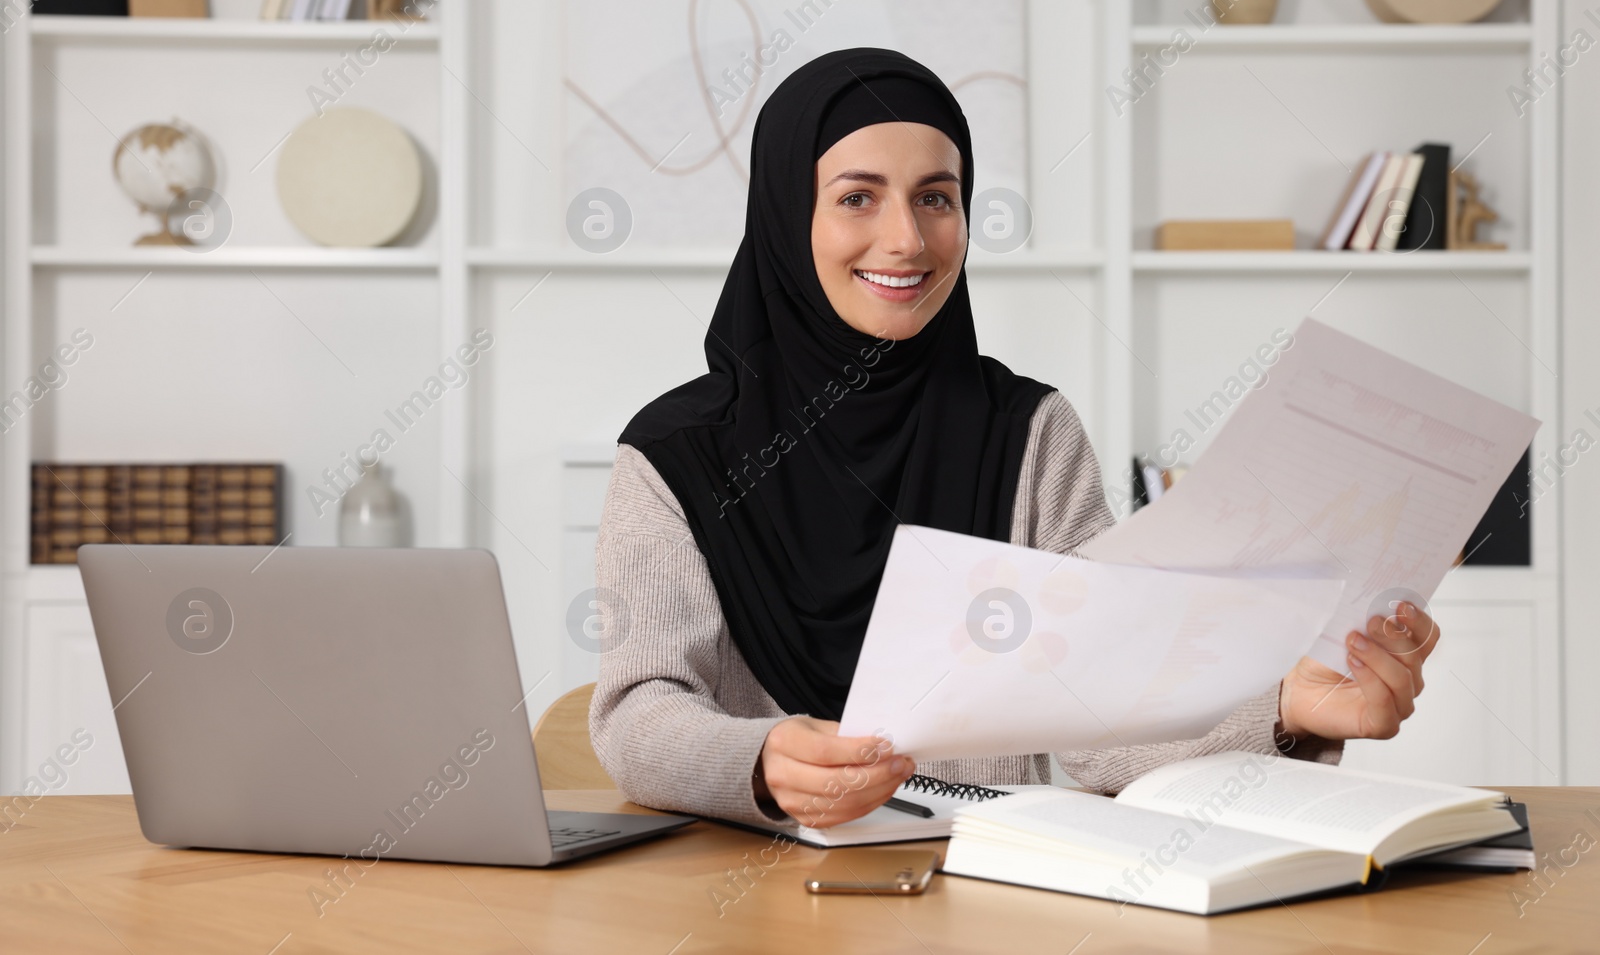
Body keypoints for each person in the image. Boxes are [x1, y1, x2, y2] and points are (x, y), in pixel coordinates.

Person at [589, 47, 1438, 829]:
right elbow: (639, 714)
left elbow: (1104, 714)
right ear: (786, 213)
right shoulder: (675, 453)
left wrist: (1287, 706)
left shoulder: (1030, 433)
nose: (908, 239)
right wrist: (760, 761)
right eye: (857, 197)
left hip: (976, 885)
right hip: (744, 893)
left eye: (936, 197)